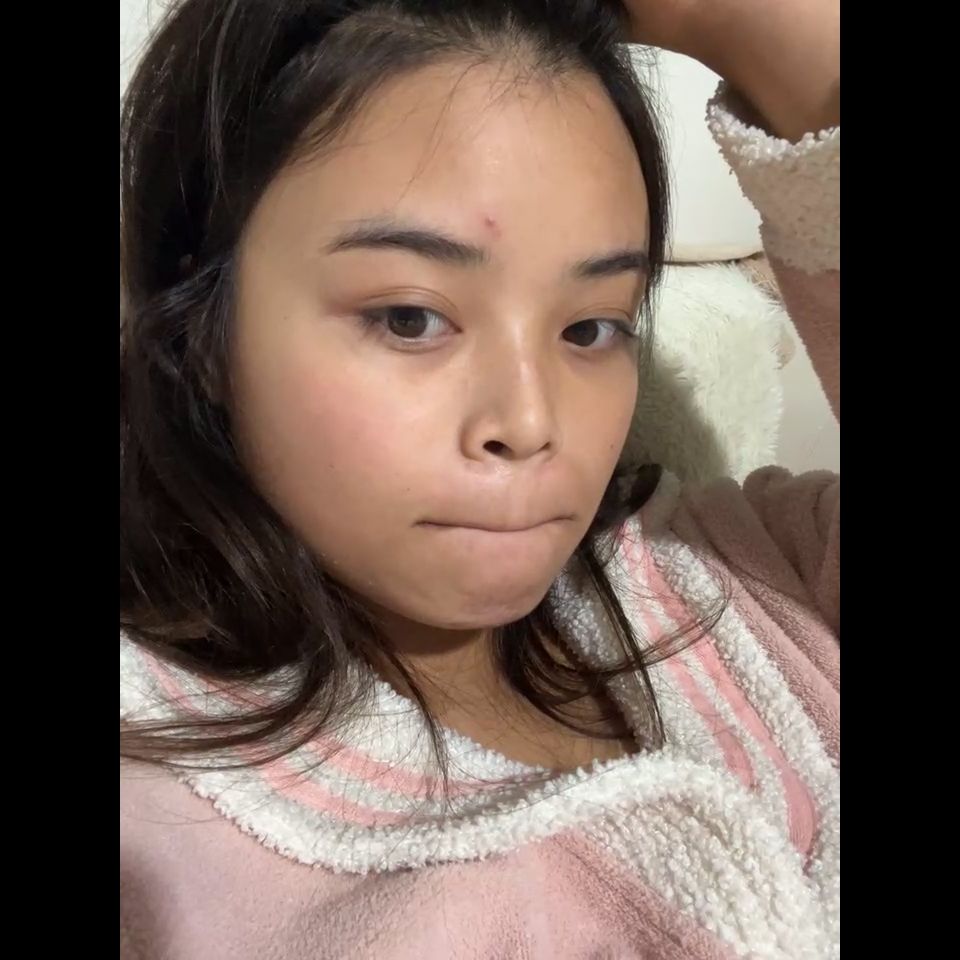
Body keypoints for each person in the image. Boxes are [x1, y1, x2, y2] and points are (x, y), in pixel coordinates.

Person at [120, 0, 839, 956]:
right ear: (201, 329)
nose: (531, 423)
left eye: (590, 328)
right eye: (410, 318)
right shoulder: (159, 844)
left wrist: (752, 27)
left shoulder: (754, 576)